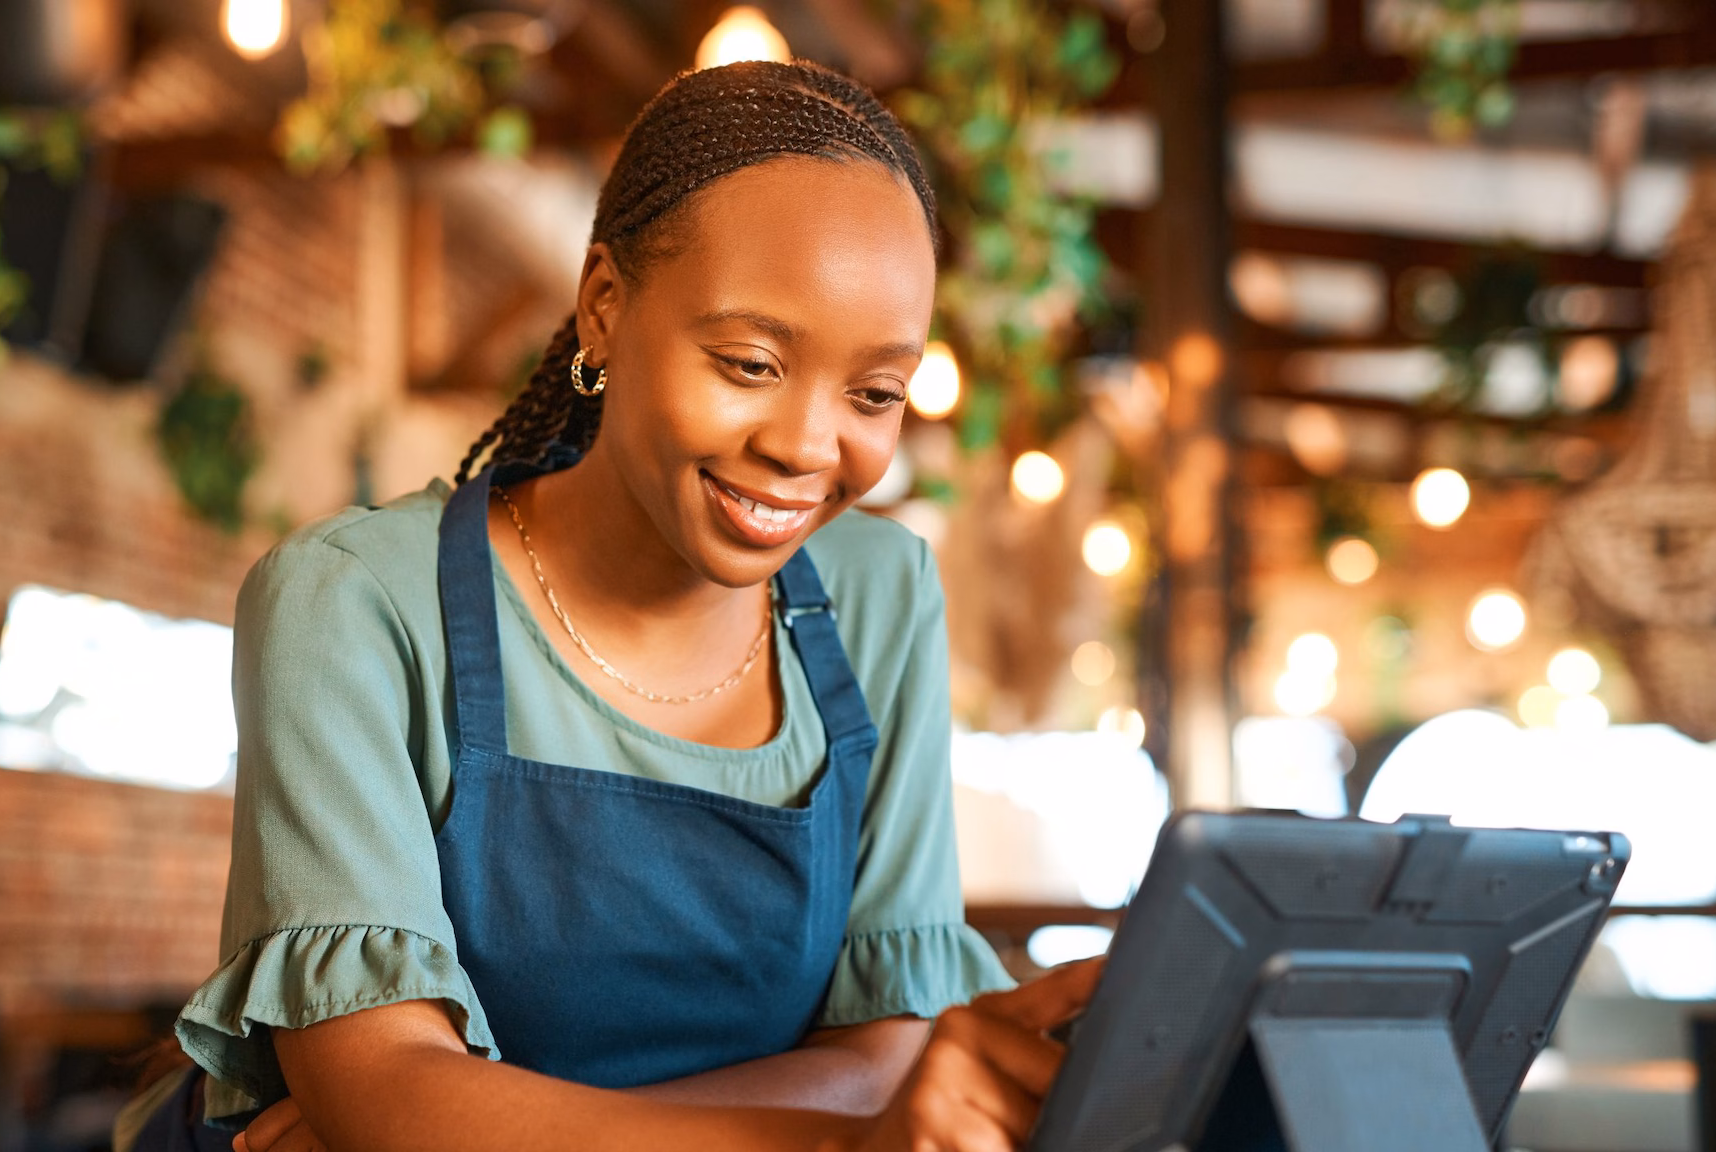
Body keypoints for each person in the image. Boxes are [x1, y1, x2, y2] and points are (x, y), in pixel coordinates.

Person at [123, 59, 1098, 1152]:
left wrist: (463, 1123)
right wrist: (843, 1140)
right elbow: (383, 1084)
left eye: (873, 393)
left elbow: (895, 1051)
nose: (806, 445)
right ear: (602, 307)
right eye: (748, 362)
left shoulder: (880, 594)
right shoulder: (353, 602)